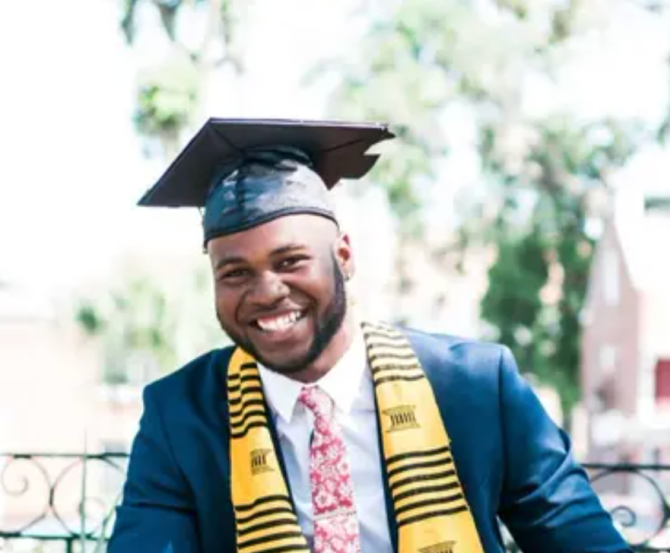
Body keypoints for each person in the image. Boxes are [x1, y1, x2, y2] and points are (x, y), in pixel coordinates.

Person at [108, 118, 631, 553]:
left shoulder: (474, 386)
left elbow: (582, 542)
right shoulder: (180, 414)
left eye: (290, 261)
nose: (266, 292)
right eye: (235, 274)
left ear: (344, 257)